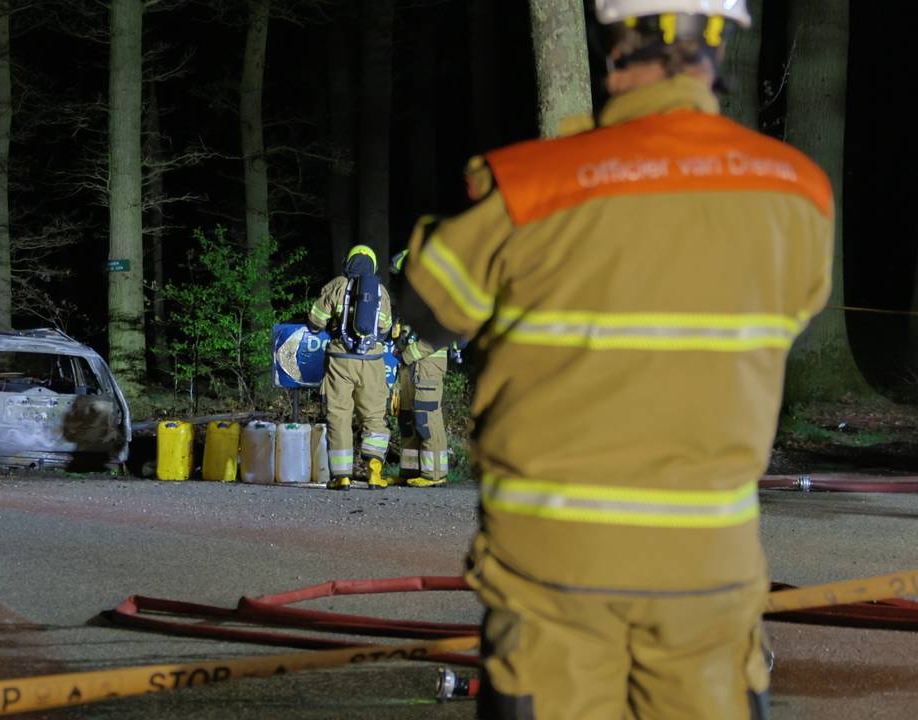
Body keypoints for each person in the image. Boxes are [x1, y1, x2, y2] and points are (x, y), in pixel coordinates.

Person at [399, 1, 831, 717]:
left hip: (555, 570)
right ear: (719, 43)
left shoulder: (534, 186)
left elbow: (423, 310)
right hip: (709, 570)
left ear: (616, 41)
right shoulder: (797, 193)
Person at [308, 245, 393, 490]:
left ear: (348, 262)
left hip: (340, 360)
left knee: (339, 415)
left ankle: (341, 476)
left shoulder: (337, 285)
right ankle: (375, 473)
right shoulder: (380, 290)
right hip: (372, 362)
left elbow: (316, 320)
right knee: (374, 416)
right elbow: (385, 329)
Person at [389, 250, 450, 488]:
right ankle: (410, 471)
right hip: (409, 366)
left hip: (427, 365)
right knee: (407, 419)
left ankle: (434, 474)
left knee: (427, 418)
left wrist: (407, 354)